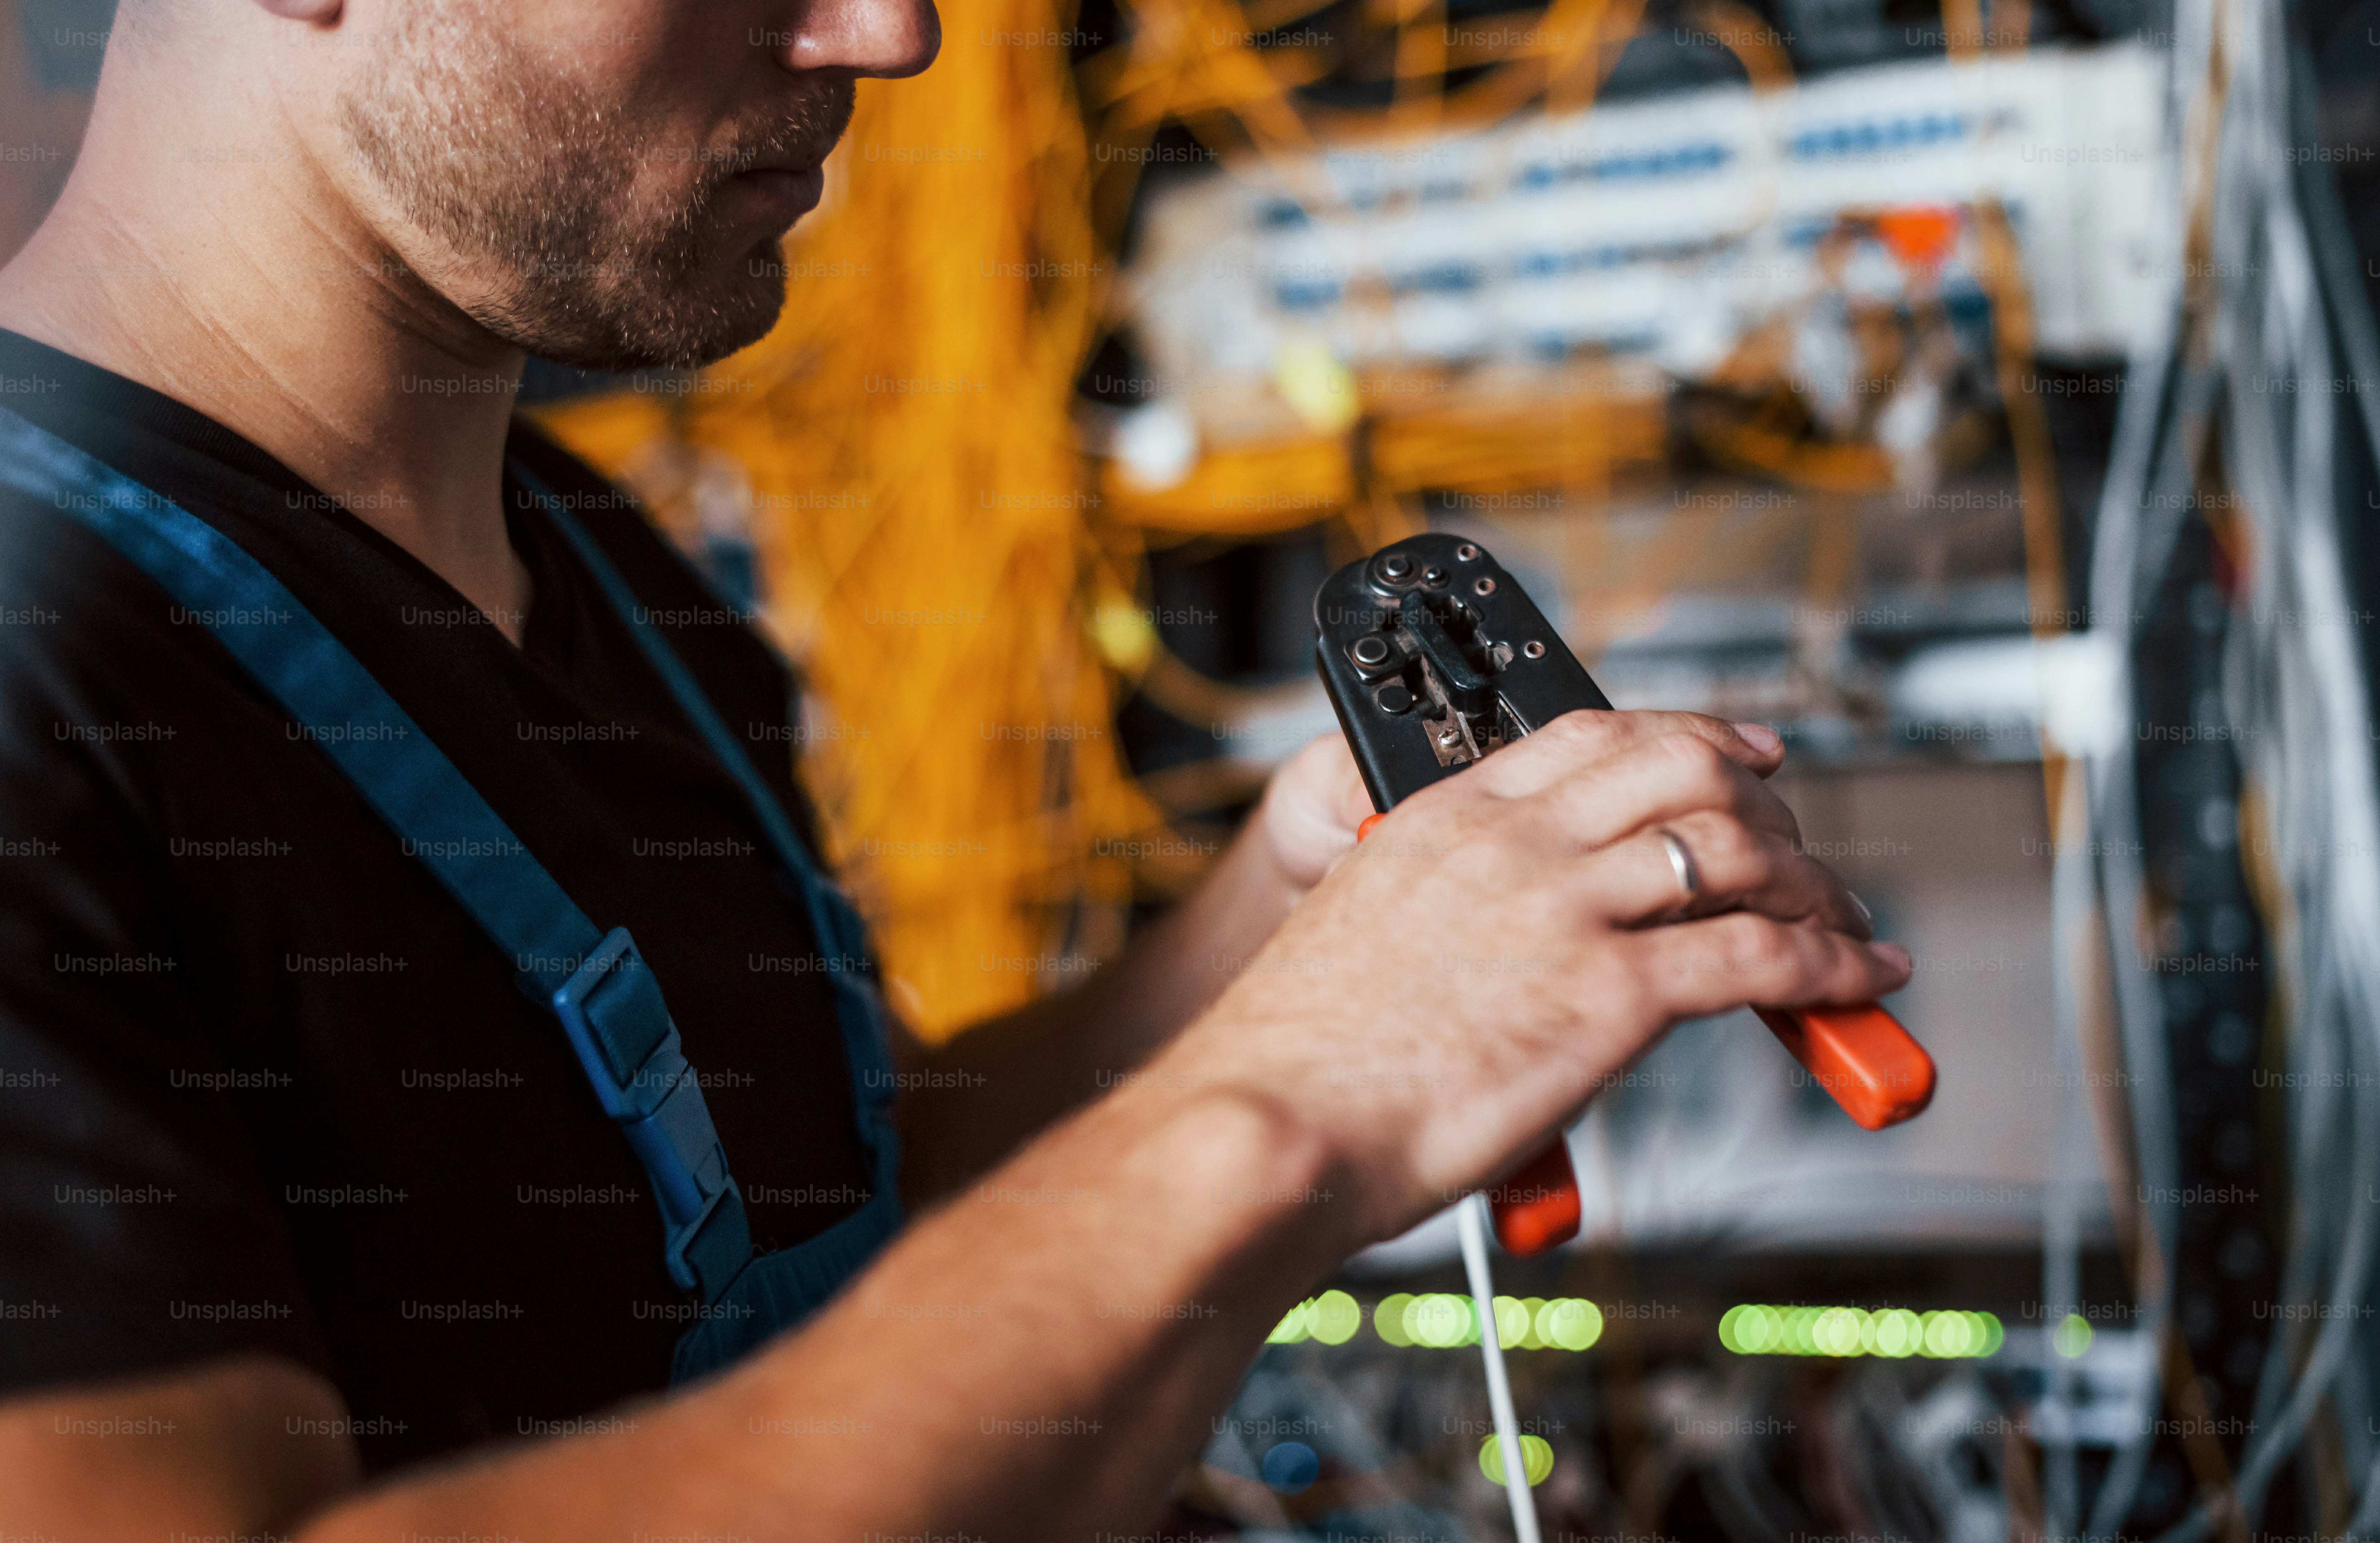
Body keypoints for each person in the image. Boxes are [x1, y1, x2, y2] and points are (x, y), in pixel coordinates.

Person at [0, 0, 1911, 1534]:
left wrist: (1285, 920)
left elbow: (820, 1221)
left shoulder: (583, 555)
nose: (891, 35)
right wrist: (1295, 1107)